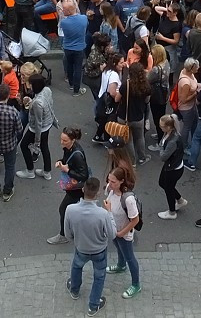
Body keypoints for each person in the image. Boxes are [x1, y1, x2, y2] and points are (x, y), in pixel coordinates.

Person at [65, 176, 118, 316]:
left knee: (76, 266)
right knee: (99, 276)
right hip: (99, 250)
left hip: (81, 248)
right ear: (98, 193)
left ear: (83, 189)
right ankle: (93, 305)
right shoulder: (103, 214)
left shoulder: (70, 210)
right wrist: (110, 212)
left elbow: (67, 233)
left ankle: (74, 290)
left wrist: (76, 240)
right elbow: (112, 234)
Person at [104, 165, 142, 300]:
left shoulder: (128, 199)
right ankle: (120, 265)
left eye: (113, 181)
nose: (110, 184)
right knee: (118, 248)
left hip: (123, 232)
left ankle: (136, 284)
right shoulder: (111, 190)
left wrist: (121, 233)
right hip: (114, 229)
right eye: (109, 180)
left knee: (130, 257)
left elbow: (135, 220)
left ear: (121, 181)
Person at [48, 127, 90, 245]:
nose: (62, 142)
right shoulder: (69, 148)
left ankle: (63, 235)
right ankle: (75, 228)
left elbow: (83, 175)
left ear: (73, 140)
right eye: (61, 139)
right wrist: (60, 161)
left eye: (65, 140)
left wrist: (67, 170)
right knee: (75, 208)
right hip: (74, 187)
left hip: (76, 189)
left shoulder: (77, 154)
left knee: (63, 209)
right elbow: (67, 160)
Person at [155, 114, 187, 220]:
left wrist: (160, 147)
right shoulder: (169, 133)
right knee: (163, 183)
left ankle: (172, 212)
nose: (161, 128)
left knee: (168, 188)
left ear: (169, 127)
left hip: (173, 169)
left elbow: (163, 156)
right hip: (171, 166)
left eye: (162, 126)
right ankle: (180, 200)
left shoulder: (173, 141)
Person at [59, 0, 88, 96]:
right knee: (78, 68)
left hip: (68, 47)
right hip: (79, 48)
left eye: (64, 9)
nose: (62, 11)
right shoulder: (84, 18)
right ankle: (76, 90)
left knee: (69, 66)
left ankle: (71, 84)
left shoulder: (64, 22)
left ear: (68, 11)